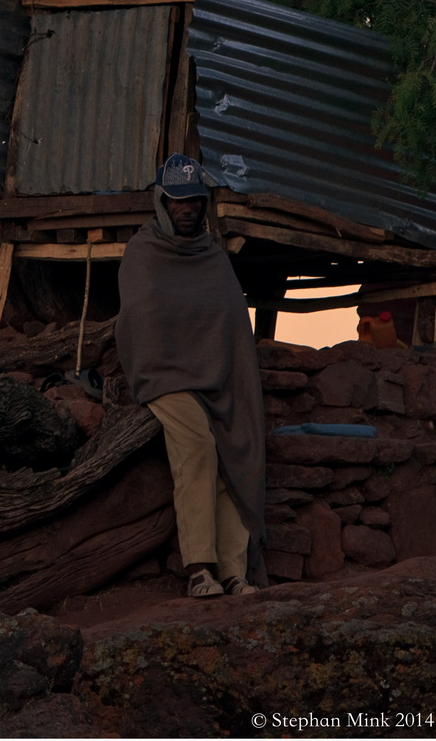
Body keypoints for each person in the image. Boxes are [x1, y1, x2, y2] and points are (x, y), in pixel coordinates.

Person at [117, 154, 268, 598]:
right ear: (161, 202)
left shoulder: (213, 259)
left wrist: (223, 377)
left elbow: (231, 326)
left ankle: (233, 573)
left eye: (194, 202)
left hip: (217, 380)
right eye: (177, 201)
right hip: (164, 377)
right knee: (198, 445)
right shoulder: (142, 254)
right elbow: (140, 323)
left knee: (233, 446)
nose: (187, 210)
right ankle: (200, 568)